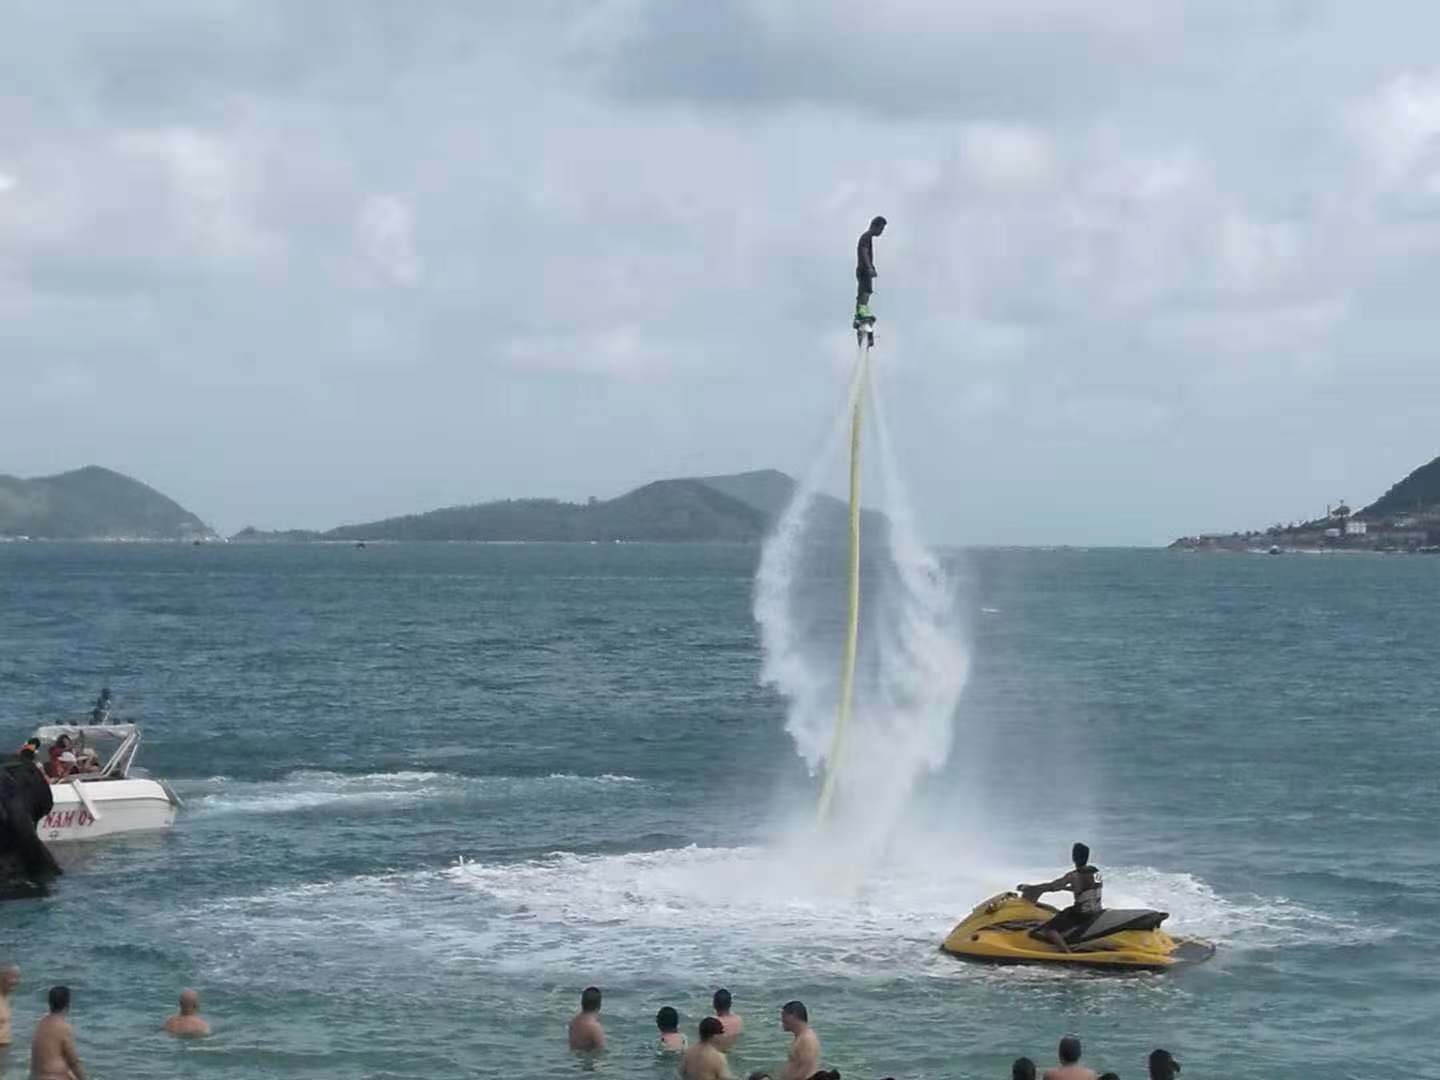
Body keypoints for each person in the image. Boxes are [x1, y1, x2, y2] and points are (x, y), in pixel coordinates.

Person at [1019, 842, 1104, 952]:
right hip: (1097, 911)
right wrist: (1065, 888)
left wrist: (1030, 888)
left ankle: (1067, 954)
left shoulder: (1073, 875)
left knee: (1048, 929)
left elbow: (1052, 886)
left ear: (1074, 857)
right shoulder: (1097, 873)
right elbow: (1088, 889)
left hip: (1082, 914)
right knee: (1057, 912)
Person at [30, 985, 86, 1080]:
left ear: (49, 1004)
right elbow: (73, 1062)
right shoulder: (63, 1027)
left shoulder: (41, 1024)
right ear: (68, 1005)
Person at [854, 215, 887, 329]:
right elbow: (864, 252)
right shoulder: (866, 237)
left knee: (866, 291)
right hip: (864, 270)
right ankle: (860, 312)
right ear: (875, 226)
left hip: (865, 269)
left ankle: (862, 311)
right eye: (881, 229)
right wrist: (869, 267)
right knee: (864, 291)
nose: (881, 232)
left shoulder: (868, 238)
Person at [779, 1001, 820, 1080]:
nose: (782, 1020)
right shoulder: (801, 1037)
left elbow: (805, 1071)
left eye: (784, 1016)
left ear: (793, 1016)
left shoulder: (806, 1039)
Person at [567, 986, 604, 1052]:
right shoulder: (595, 1027)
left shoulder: (573, 1022)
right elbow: (601, 1052)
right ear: (599, 1005)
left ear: (582, 1003)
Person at [0, 965, 18, 1047]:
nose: (17, 981)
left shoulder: (5, 997)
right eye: (13, 977)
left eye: (18, 977)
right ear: (2, 978)